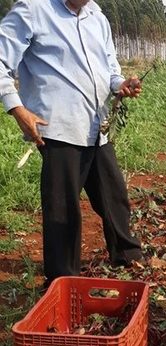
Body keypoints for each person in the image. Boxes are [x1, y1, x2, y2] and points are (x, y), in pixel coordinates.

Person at [0, 0, 143, 288]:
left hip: (94, 127)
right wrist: (17, 108)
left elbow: (110, 68)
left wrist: (120, 85)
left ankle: (128, 256)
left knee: (113, 194)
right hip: (57, 127)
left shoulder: (96, 16)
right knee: (62, 207)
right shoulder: (33, 9)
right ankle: (62, 280)